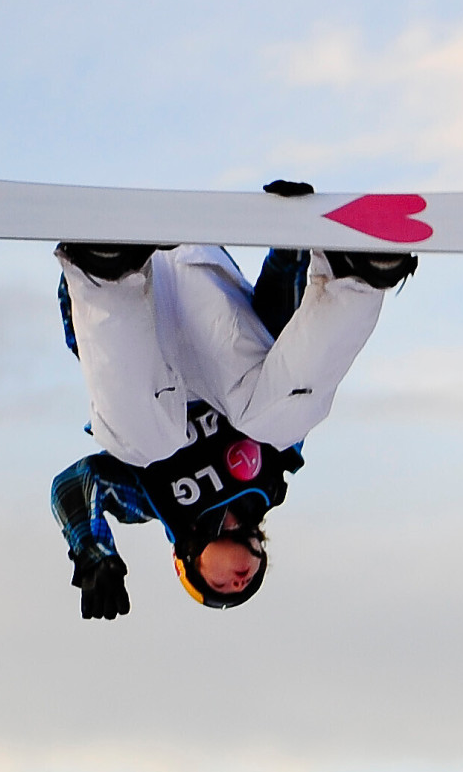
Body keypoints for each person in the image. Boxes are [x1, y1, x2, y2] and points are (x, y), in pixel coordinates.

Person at [48, 180, 414, 619]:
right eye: (248, 583)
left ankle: (105, 270)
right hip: (206, 302)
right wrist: (292, 241)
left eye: (219, 584)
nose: (238, 581)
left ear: (185, 561)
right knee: (280, 421)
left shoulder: (145, 497)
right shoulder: (271, 473)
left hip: (136, 321)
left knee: (144, 444)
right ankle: (357, 275)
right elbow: (286, 344)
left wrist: (93, 552)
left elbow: (74, 484)